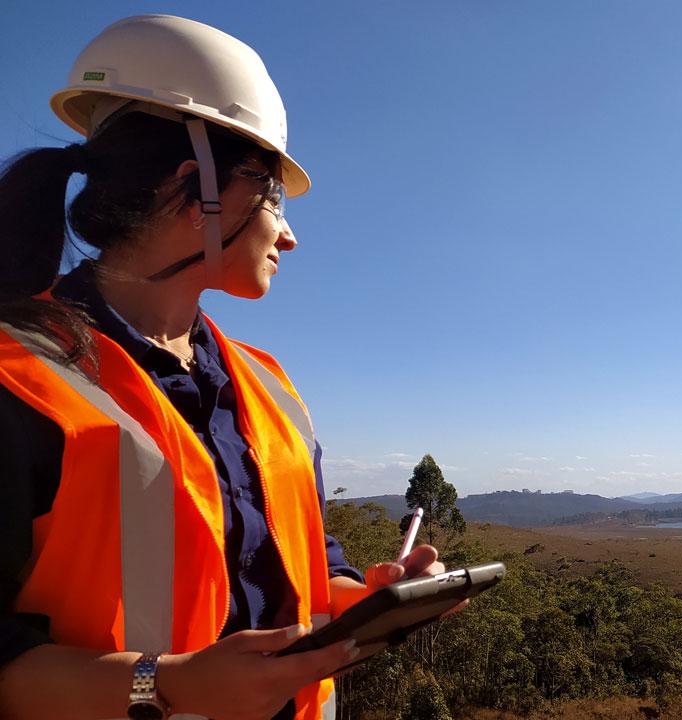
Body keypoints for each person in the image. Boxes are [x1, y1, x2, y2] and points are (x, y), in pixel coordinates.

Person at [0, 15, 453, 720]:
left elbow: (297, 556)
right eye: (271, 193)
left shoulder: (267, 385)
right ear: (195, 188)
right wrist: (168, 685)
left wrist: (361, 597)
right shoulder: (18, 377)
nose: (290, 235)